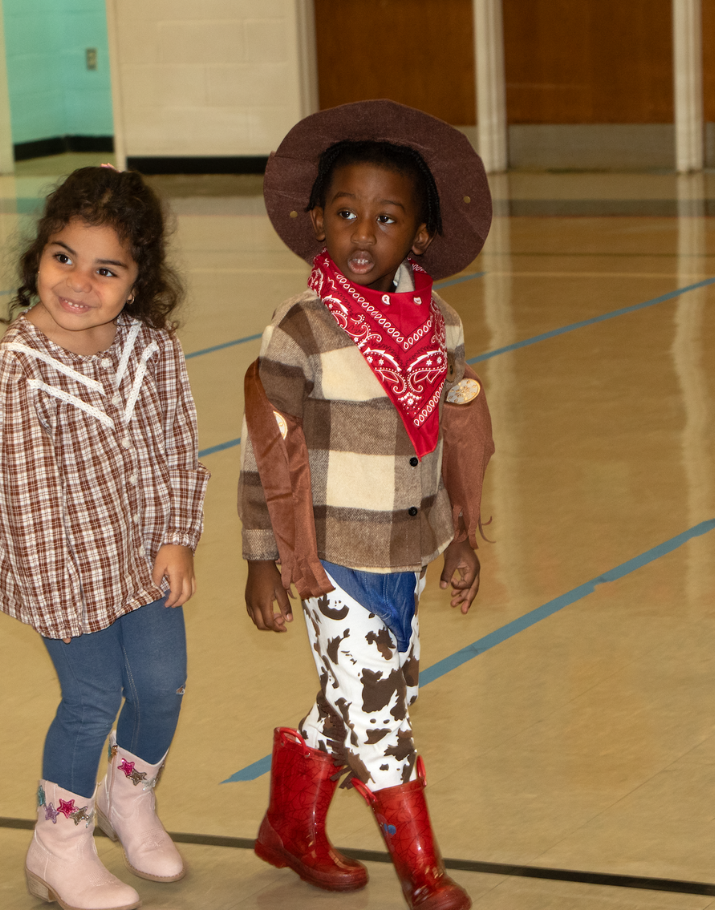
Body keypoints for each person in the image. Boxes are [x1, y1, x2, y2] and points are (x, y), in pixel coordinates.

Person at [239, 101, 495, 910]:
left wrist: (461, 538)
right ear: (317, 219)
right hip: (328, 555)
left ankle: (290, 826)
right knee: (380, 710)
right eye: (345, 213)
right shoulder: (301, 329)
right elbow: (263, 450)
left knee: (370, 691)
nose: (361, 233)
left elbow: (454, 439)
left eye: (386, 219)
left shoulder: (441, 327)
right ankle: (422, 871)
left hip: (405, 550)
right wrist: (262, 559)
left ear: (419, 235)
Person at [0, 165, 209, 910]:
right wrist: (61, 599)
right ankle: (60, 844)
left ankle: (127, 799)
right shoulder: (20, 365)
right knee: (90, 700)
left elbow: (179, 445)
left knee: (159, 685)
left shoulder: (153, 350)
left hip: (140, 557)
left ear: (136, 282)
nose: (78, 282)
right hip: (62, 567)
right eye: (62, 258)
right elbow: (26, 490)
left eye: (105, 269)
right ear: (38, 257)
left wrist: (176, 537)